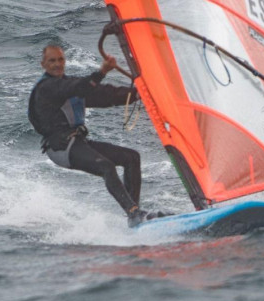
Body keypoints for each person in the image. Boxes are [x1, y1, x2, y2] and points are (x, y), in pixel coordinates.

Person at [27, 44, 164, 227]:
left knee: (132, 158)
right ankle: (133, 213)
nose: (57, 64)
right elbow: (76, 87)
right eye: (52, 60)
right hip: (59, 147)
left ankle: (134, 214)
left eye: (60, 59)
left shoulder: (70, 86)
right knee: (106, 166)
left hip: (77, 142)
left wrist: (137, 95)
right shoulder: (47, 88)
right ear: (43, 64)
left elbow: (105, 95)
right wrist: (101, 72)